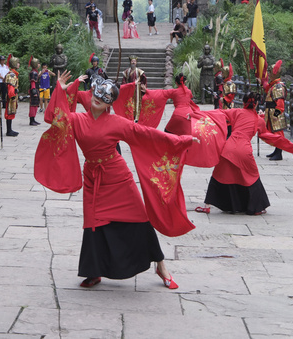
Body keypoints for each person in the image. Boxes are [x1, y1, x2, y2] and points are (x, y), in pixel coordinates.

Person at [35, 71, 198, 289]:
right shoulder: (77, 120)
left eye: (103, 98)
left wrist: (181, 140)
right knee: (93, 223)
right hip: (93, 176)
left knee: (139, 217)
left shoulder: (117, 123)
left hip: (118, 176)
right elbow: (55, 118)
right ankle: (94, 271)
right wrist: (60, 91)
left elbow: (146, 135)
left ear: (109, 104)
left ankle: (160, 265)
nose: (97, 99)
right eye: (96, 95)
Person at [196, 104, 293, 215]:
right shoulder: (258, 120)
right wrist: (292, 148)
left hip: (228, 147)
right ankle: (256, 208)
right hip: (244, 150)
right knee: (252, 177)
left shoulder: (237, 112)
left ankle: (207, 206)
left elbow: (218, 113)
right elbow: (267, 135)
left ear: (244, 103)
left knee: (218, 174)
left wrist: (196, 113)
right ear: (256, 104)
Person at [263, 60, 288, 161]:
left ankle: (279, 153)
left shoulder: (278, 86)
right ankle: (276, 151)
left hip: (275, 112)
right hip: (271, 111)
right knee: (274, 133)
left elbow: (280, 102)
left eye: (270, 72)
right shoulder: (273, 85)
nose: (268, 74)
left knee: (278, 133)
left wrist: (277, 112)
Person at [4, 56, 20, 137]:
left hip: (13, 95)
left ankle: (10, 129)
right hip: (11, 96)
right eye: (17, 63)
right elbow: (11, 87)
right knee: (9, 112)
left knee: (11, 112)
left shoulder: (13, 73)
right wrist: (12, 96)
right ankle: (8, 130)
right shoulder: (12, 75)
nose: (19, 64)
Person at [28, 58, 41, 126]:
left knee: (35, 105)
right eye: (38, 63)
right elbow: (33, 82)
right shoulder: (34, 73)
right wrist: (34, 91)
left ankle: (33, 119)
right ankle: (31, 120)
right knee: (33, 105)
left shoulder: (35, 72)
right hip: (34, 90)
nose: (39, 64)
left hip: (36, 89)